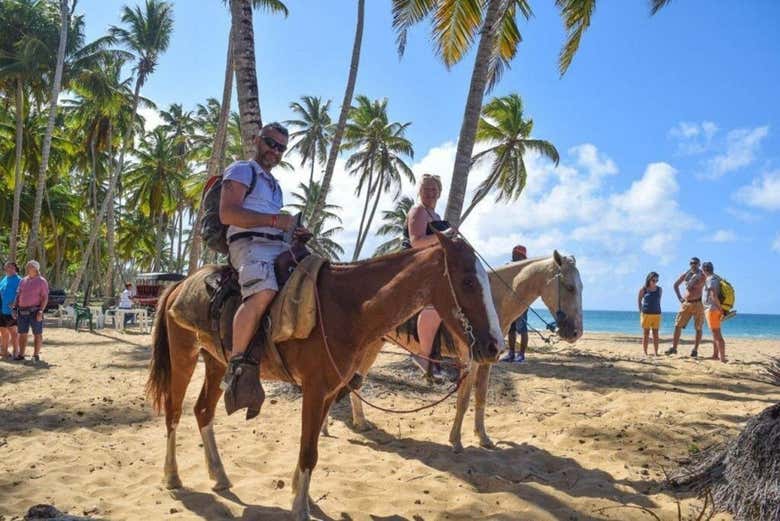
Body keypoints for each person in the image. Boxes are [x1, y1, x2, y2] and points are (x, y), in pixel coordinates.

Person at [219, 122, 310, 416]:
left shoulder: (275, 186)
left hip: (277, 245)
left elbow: (277, 224)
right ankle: (236, 364)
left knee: (314, 280)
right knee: (264, 291)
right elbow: (227, 213)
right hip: (249, 246)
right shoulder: (242, 170)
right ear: (258, 140)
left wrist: (293, 233)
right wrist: (275, 222)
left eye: (281, 147)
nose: (275, 151)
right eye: (271, 143)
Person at [407, 173, 448, 381]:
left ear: (439, 192)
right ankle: (423, 355)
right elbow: (416, 242)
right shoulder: (418, 211)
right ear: (420, 191)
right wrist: (444, 237)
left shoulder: (437, 216)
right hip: (417, 265)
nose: (430, 193)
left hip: (433, 264)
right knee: (435, 304)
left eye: (434, 189)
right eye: (426, 189)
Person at [666, 257, 706, 357]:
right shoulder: (686, 274)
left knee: (698, 327)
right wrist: (680, 298)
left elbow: (711, 287)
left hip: (698, 303)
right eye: (691, 263)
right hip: (686, 303)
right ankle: (674, 348)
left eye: (695, 263)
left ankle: (695, 350)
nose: (693, 264)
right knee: (677, 325)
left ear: (699, 264)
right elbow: (675, 285)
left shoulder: (703, 275)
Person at [13, 260, 48, 363]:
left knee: (37, 333)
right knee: (22, 333)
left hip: (35, 311)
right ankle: (21, 354)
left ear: (36, 269)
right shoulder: (23, 280)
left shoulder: (42, 281)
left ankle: (36, 355)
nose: (27, 268)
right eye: (27, 266)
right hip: (22, 311)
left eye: (30, 266)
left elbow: (45, 297)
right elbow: (18, 295)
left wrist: (41, 311)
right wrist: (15, 308)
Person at [502, 245, 529, 363]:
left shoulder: (527, 268)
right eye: (514, 253)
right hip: (509, 302)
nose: (514, 255)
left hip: (522, 302)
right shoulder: (508, 266)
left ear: (522, 256)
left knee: (522, 328)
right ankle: (511, 353)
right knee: (511, 328)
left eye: (517, 254)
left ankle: (521, 355)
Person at [702, 262, 727, 363]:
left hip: (712, 309)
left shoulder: (710, 279)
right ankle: (715, 355)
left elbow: (713, 295)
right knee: (715, 333)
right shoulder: (716, 278)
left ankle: (722, 358)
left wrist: (720, 309)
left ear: (704, 270)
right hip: (714, 309)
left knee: (717, 334)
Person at [0, 262, 22, 360]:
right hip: (1, 310)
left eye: (11, 267)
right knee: (3, 332)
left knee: (13, 332)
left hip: (12, 311)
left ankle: (16, 352)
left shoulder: (19, 280)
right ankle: (4, 351)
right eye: (7, 267)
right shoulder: (4, 279)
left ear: (15, 269)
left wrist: (15, 304)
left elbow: (21, 294)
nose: (9, 269)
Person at [638, 271, 662, 356]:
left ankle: (656, 352)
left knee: (656, 334)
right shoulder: (643, 289)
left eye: (656, 280)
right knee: (646, 334)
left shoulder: (659, 289)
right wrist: (641, 311)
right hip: (646, 314)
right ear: (649, 279)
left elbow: (658, 301)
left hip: (657, 314)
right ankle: (645, 352)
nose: (655, 282)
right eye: (653, 280)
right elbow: (639, 300)